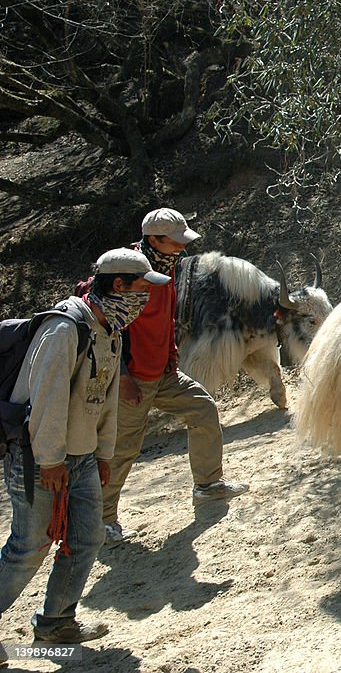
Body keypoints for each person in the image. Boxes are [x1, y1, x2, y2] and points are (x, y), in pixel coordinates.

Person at [0, 249, 170, 643]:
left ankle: (56, 622)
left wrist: (103, 454)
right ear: (118, 286)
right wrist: (50, 460)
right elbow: (47, 399)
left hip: (82, 458)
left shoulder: (109, 329)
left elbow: (105, 399)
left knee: (87, 537)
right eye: (141, 289)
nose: (145, 299)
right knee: (30, 546)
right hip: (39, 458)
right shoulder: (65, 329)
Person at [102, 208, 248, 545]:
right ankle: (103, 522)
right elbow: (108, 329)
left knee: (203, 410)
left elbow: (166, 319)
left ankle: (208, 486)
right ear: (154, 240)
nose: (182, 247)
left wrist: (170, 356)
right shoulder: (124, 272)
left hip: (163, 374)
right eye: (175, 241)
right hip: (131, 379)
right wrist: (122, 377)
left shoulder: (165, 267)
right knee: (123, 449)